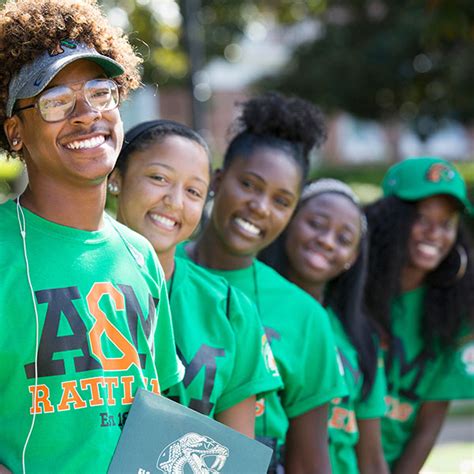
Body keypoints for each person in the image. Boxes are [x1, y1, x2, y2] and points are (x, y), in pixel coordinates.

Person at [0, 1, 183, 472]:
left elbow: (156, 410)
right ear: (15, 131)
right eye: (56, 101)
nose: (86, 114)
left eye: (102, 94)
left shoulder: (140, 253)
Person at [177, 92, 348, 473]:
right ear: (217, 181)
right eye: (250, 185)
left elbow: (309, 462)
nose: (260, 206)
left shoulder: (305, 317)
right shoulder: (153, 269)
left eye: (282, 201)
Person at [108, 119, 283, 438]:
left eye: (193, 191)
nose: (175, 201)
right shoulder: (65, 283)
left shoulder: (230, 310)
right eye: (159, 177)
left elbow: (236, 455)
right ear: (116, 178)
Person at [259, 178, 389, 474]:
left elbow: (371, 456)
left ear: (353, 258)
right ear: (289, 221)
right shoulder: (246, 306)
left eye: (344, 239)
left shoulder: (361, 338)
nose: (327, 240)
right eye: (316, 224)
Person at [364, 156, 474, 473]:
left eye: (446, 223)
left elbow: (428, 425)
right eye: (422, 218)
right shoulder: (350, 288)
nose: (434, 234)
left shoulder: (455, 313)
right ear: (390, 217)